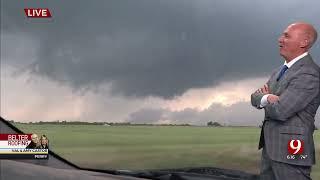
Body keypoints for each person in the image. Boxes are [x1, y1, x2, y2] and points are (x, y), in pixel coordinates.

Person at [251, 22, 320, 180]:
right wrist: (267, 97)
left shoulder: (309, 73)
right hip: (271, 146)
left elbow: (281, 111)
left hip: (292, 146)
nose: (280, 39)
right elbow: (254, 97)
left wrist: (266, 100)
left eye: (286, 36)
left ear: (304, 42)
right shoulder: (278, 71)